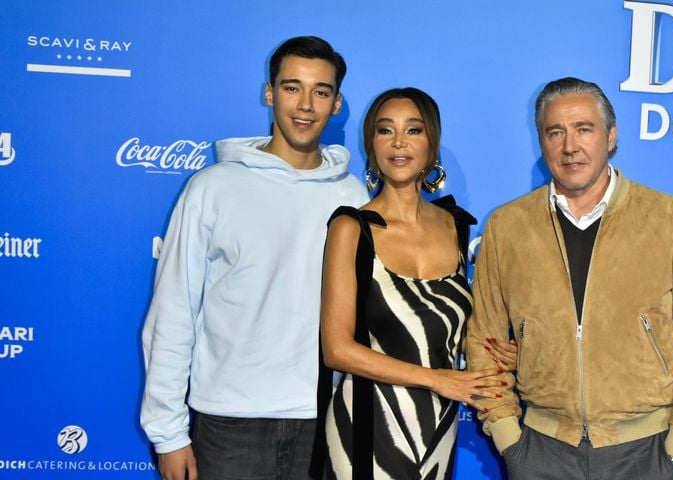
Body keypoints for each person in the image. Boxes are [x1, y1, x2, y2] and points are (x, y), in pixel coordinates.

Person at [466, 77, 673, 479]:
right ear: (541, 141)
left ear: (611, 136)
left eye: (584, 129)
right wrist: (508, 438)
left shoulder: (668, 218)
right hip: (540, 452)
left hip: (647, 452)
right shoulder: (508, 226)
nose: (569, 146)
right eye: (555, 132)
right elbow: (483, 340)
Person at [140, 36, 369, 480]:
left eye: (321, 91)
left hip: (324, 419)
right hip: (227, 425)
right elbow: (173, 312)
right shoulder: (212, 187)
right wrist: (168, 434)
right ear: (269, 93)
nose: (305, 105)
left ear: (336, 103)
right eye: (292, 87)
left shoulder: (353, 196)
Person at [313, 87, 503, 480]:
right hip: (366, 429)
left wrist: (496, 351)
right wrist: (437, 380)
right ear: (371, 145)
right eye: (385, 130)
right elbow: (336, 350)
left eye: (413, 130)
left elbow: (445, 329)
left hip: (439, 427)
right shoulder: (351, 228)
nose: (398, 142)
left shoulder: (455, 226)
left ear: (432, 144)